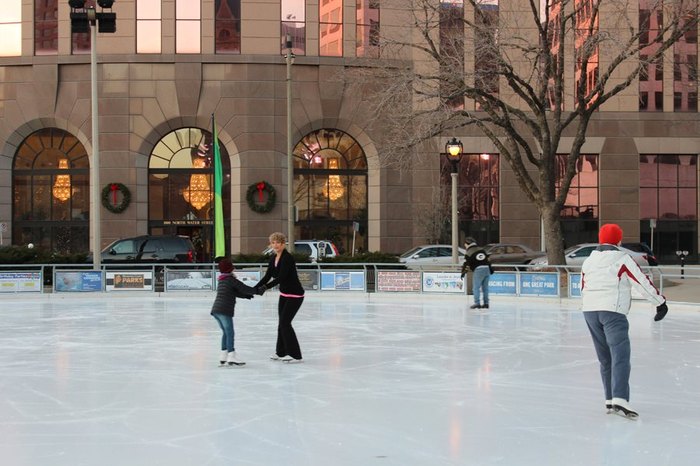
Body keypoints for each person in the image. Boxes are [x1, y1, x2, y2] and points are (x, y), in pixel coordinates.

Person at [581, 223, 668, 419]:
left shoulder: (588, 261)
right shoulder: (622, 259)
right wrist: (660, 302)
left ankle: (610, 400)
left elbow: (583, 286)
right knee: (620, 356)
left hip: (590, 311)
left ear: (600, 240)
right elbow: (641, 282)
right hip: (612, 312)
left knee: (605, 358)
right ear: (618, 241)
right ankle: (620, 398)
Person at [255, 232, 305, 363]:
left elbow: (281, 277)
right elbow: (267, 277)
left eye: (278, 242)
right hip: (284, 294)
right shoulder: (273, 259)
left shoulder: (287, 258)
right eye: (273, 242)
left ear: (283, 244)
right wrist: (254, 288)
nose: (275, 245)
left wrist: (265, 288)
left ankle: (295, 355)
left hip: (295, 295)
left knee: (285, 323)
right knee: (281, 324)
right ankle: (281, 352)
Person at [211, 257, 261, 366]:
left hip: (216, 310)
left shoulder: (222, 280)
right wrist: (257, 291)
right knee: (230, 333)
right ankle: (231, 356)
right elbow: (244, 288)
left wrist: (246, 296)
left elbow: (234, 292)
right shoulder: (230, 279)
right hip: (224, 310)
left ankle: (223, 355)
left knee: (225, 332)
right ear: (230, 268)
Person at [460, 237, 492, 309]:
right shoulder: (482, 249)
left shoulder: (469, 252)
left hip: (478, 269)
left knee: (476, 288)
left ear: (468, 244)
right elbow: (488, 260)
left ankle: (477, 303)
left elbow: (467, 264)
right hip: (486, 269)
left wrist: (463, 272)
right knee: (485, 288)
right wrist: (491, 269)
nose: (465, 246)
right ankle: (486, 303)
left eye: (465, 244)